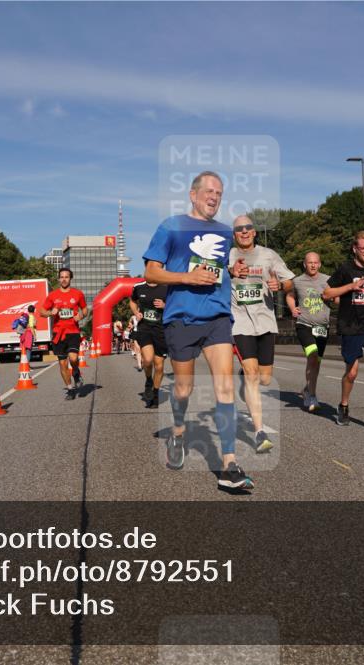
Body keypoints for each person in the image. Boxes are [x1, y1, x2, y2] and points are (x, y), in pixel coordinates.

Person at [143, 171, 251, 490]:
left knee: (225, 387)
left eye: (219, 192)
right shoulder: (171, 226)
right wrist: (186, 279)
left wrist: (233, 270)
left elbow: (217, 266)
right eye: (209, 191)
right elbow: (151, 272)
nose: (214, 197)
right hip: (181, 318)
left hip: (217, 317)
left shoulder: (224, 232)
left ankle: (229, 463)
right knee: (183, 390)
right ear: (193, 194)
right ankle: (178, 432)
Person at [228, 214, 295, 453]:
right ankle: (259, 432)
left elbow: (289, 282)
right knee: (252, 373)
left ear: (254, 232)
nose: (244, 232)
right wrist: (229, 273)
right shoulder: (228, 256)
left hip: (265, 323)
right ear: (234, 234)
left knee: (265, 378)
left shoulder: (269, 255)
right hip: (240, 323)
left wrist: (280, 286)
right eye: (239, 229)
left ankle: (245, 379)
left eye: (248, 228)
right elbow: (212, 279)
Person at [322, 231, 364, 429]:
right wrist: (350, 287)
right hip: (351, 326)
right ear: (355, 249)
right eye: (363, 249)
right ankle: (343, 406)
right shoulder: (345, 269)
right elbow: (326, 293)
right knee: (352, 373)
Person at [286, 252, 337, 412]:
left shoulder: (328, 280)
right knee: (313, 355)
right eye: (310, 263)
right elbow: (289, 295)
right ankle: (312, 396)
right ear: (304, 264)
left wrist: (335, 298)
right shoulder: (297, 281)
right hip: (304, 325)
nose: (313, 265)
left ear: (320, 264)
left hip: (323, 327)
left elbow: (336, 298)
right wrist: (293, 308)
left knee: (316, 362)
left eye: (316, 262)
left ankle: (308, 389)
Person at [40, 268, 86, 401]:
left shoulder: (77, 294)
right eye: (62, 277)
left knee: (73, 358)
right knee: (62, 364)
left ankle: (76, 372)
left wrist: (81, 315)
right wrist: (50, 312)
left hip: (73, 332)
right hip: (58, 333)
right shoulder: (53, 295)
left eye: (67, 277)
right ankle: (70, 389)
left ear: (70, 278)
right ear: (59, 279)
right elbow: (42, 311)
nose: (64, 279)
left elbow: (85, 309)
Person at [129, 279, 168, 408]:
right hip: (145, 328)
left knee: (159, 366)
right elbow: (132, 301)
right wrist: (136, 313)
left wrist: (165, 305)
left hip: (161, 330)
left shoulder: (166, 286)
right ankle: (148, 380)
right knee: (148, 359)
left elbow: (177, 305)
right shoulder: (139, 287)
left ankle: (155, 394)